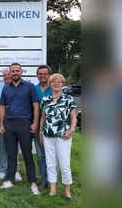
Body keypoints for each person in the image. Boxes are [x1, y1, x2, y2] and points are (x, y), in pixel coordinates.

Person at [0, 63, 40, 195]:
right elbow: (3, 107)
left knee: (27, 155)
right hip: (9, 124)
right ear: (9, 73)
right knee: (11, 155)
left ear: (21, 72)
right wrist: (2, 124)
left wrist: (35, 122)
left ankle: (33, 183)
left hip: (25, 124)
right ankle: (10, 180)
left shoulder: (29, 86)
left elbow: (35, 105)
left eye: (17, 71)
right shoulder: (6, 89)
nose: (15, 73)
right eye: (13, 71)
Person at [39, 73, 77, 202]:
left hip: (63, 136)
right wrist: (40, 133)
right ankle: (53, 190)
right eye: (54, 82)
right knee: (50, 163)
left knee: (64, 164)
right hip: (48, 135)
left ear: (62, 84)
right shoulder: (45, 100)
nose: (56, 83)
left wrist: (72, 130)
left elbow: (73, 117)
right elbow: (43, 119)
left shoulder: (68, 99)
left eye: (59, 82)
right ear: (50, 84)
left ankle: (67, 192)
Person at [0, 69, 22, 181]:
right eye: (4, 75)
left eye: (8, 74)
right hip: (1, 122)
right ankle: (3, 170)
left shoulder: (19, 87)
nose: (7, 76)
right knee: (2, 147)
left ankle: (15, 170)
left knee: (14, 147)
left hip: (15, 122)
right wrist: (6, 114)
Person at [34, 65, 52, 189]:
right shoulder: (33, 89)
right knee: (40, 155)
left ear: (49, 75)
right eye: (40, 73)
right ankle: (44, 180)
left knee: (51, 155)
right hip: (38, 126)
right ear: (37, 75)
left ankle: (52, 181)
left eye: (45, 73)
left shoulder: (55, 88)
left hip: (52, 127)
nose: (42, 75)